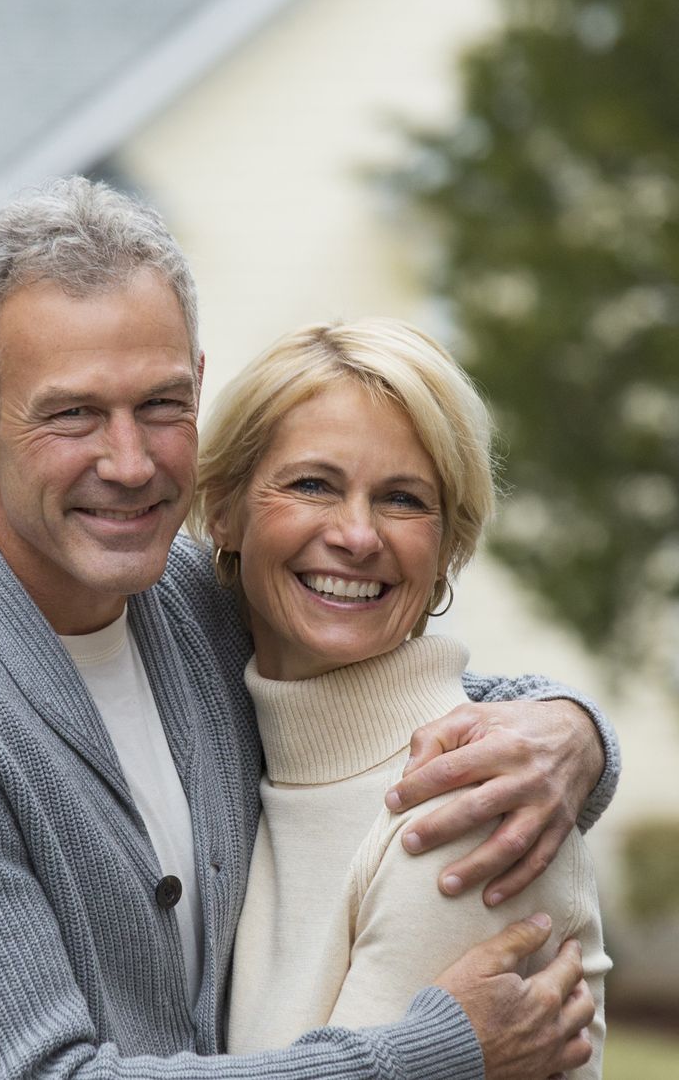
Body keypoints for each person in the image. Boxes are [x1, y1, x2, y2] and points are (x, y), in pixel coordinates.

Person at [0, 177, 621, 1079]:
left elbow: (378, 698)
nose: (130, 463)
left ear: (201, 387)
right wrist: (431, 1056)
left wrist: (571, 732)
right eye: (74, 414)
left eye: (162, 405)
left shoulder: (183, 597)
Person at [195, 323, 609, 1075]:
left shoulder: (470, 805)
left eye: (402, 499)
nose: (357, 535)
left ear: (448, 547)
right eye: (314, 484)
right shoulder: (246, 763)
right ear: (222, 512)